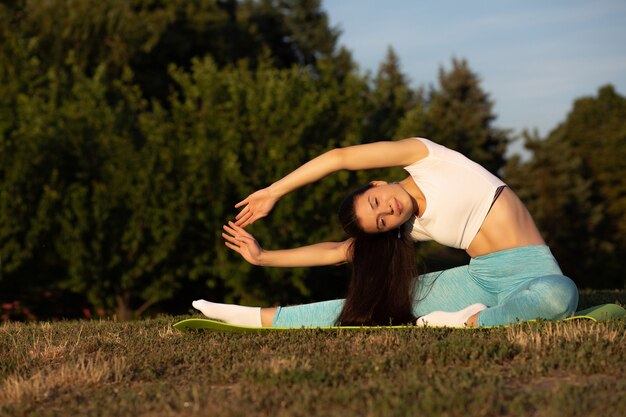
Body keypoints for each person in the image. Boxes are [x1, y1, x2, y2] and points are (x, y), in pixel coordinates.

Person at [192, 137, 578, 328]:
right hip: (479, 280)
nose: (388, 212)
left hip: (531, 270)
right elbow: (337, 251)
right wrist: (263, 258)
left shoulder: (425, 158)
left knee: (561, 293)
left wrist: (274, 191)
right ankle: (244, 316)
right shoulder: (411, 226)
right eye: (381, 223)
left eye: (377, 203)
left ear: (378, 184)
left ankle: (468, 322)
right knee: (365, 308)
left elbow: (340, 159)